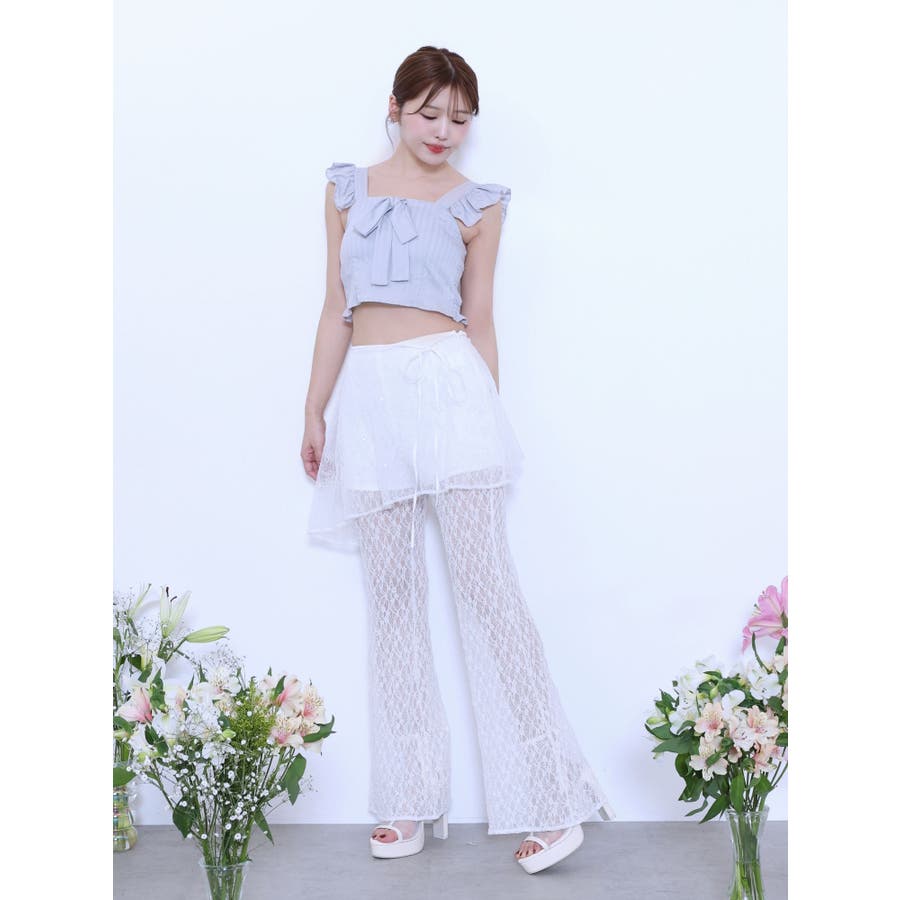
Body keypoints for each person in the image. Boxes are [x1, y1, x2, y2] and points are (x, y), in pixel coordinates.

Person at [301, 45, 614, 874]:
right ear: (395, 107)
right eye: (429, 113)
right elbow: (336, 309)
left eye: (460, 118)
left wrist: (488, 418)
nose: (444, 131)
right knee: (392, 602)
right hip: (369, 400)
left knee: (488, 592)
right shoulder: (346, 191)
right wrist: (314, 408)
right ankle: (409, 797)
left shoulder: (479, 205)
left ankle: (555, 798)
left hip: (449, 392)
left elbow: (482, 319)